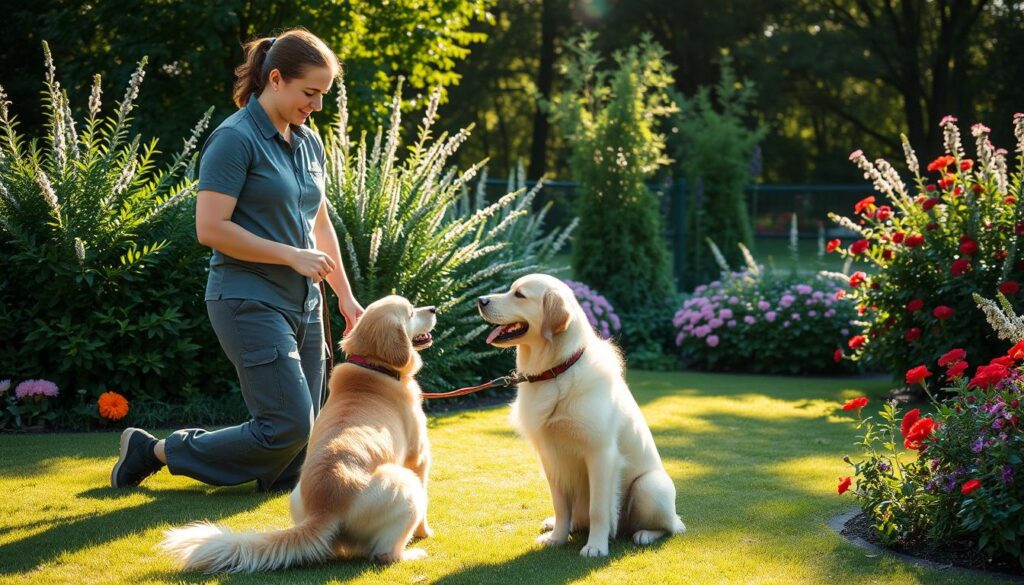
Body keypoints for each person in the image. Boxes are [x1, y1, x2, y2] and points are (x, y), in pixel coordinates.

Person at [111, 27, 364, 492]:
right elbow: (211, 229)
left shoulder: (309, 143)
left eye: (324, 94)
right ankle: (155, 451)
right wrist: (291, 255)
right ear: (274, 79)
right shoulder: (234, 139)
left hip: (303, 305)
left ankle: (271, 478)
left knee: (298, 449)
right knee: (289, 425)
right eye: (310, 92)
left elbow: (320, 222)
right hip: (247, 298)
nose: (318, 105)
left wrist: (346, 298)